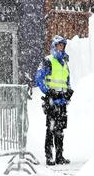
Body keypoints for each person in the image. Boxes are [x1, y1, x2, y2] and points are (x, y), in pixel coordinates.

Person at [36, 35, 74, 166]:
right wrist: (48, 91)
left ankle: (59, 156)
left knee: (60, 130)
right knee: (51, 129)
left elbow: (67, 80)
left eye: (62, 46)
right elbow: (39, 79)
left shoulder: (65, 62)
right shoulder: (48, 61)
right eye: (58, 45)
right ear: (54, 46)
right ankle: (49, 157)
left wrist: (68, 91)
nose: (60, 48)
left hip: (62, 102)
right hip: (52, 101)